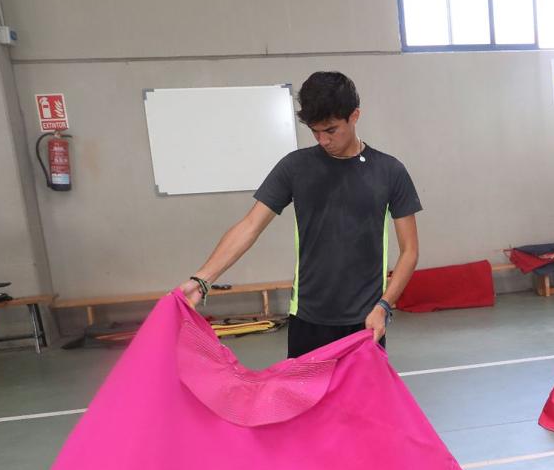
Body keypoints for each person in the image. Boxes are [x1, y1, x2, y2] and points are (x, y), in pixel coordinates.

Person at [178, 71, 421, 358]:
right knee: (307, 404)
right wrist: (202, 280)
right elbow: (250, 225)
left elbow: (410, 251)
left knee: (359, 405)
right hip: (307, 319)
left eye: (331, 130)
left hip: (366, 320)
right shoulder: (296, 168)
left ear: (354, 116)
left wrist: (384, 306)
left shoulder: (389, 171)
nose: (322, 140)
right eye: (315, 131)